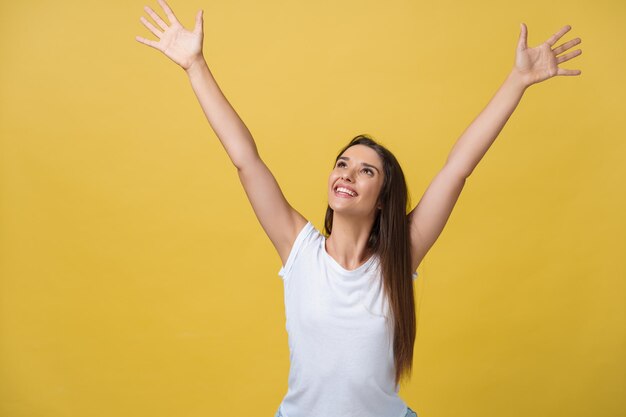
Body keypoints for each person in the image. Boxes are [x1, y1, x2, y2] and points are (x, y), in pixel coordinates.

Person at [135, 2, 583, 416]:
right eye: (343, 164)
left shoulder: (399, 255)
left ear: (384, 197)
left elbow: (458, 168)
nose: (348, 174)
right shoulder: (298, 248)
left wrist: (517, 81)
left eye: (367, 171)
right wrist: (195, 66)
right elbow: (244, 157)